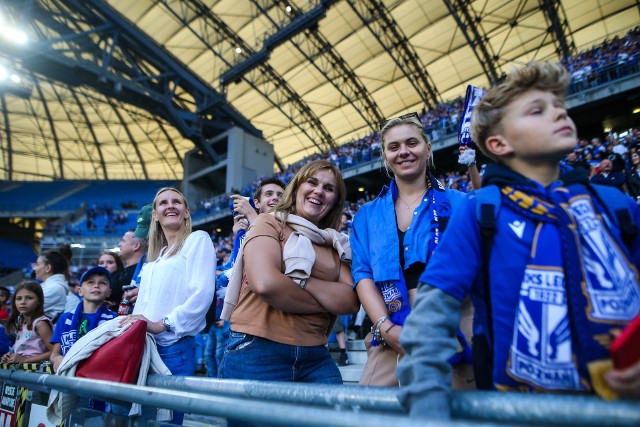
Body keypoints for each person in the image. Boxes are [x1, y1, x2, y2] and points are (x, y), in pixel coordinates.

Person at [397, 62, 640, 420]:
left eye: (560, 107)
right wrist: (428, 409)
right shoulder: (482, 211)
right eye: (537, 110)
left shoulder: (617, 205)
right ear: (499, 143)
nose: (559, 113)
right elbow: (430, 319)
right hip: (521, 411)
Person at [350, 112, 469, 386]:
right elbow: (362, 274)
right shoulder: (366, 215)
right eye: (393, 147)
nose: (403, 152)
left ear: (428, 148)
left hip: (454, 328)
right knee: (371, 412)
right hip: (391, 331)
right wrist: (386, 328)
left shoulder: (461, 203)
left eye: (412, 143)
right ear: (385, 156)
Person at [219, 160, 359, 386]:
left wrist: (299, 280)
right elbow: (266, 283)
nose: (319, 191)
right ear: (296, 188)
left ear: (335, 201)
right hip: (257, 350)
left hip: (316, 356)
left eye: (328, 188)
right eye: (311, 182)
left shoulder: (336, 243)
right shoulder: (267, 222)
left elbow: (350, 301)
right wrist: (326, 301)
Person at [120, 187, 215, 425]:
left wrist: (162, 324)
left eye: (177, 202)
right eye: (163, 203)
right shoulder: (157, 256)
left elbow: (201, 295)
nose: (170, 205)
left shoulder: (197, 240)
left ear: (186, 212)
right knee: (139, 421)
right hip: (143, 349)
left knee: (163, 423)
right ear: (155, 214)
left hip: (173, 348)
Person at [205, 178, 286, 377]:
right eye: (269, 194)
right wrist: (238, 234)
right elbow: (235, 267)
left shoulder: (286, 226)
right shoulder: (246, 231)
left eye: (280, 195)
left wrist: (251, 216)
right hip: (241, 315)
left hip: (269, 317)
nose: (275, 197)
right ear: (257, 202)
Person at [50, 266, 117, 373]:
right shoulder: (65, 319)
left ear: (109, 292)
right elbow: (54, 354)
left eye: (102, 283)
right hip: (67, 378)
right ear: (80, 291)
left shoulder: (115, 320)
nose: (96, 286)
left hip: (97, 378)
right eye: (90, 282)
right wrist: (57, 359)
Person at [1, 281, 53, 364]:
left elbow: (54, 352)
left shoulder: (40, 323)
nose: (23, 302)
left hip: (36, 373)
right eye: (19, 298)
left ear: (39, 301)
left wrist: (25, 360)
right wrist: (10, 357)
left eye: (29, 298)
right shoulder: (21, 322)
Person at [34, 250, 69, 322]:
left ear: (48, 268)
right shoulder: (51, 286)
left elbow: (27, 309)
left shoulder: (55, 288)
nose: (34, 268)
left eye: (37, 264)